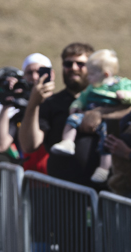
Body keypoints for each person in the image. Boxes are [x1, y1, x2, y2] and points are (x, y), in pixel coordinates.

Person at [51, 50, 131, 184]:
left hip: (107, 123)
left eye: (92, 74)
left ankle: (104, 167)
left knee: (106, 141)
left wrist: (124, 95)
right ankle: (68, 142)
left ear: (105, 74)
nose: (88, 77)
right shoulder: (91, 88)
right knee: (72, 119)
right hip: (87, 116)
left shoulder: (121, 84)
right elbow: (81, 98)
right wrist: (75, 106)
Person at [17, 42, 93, 178]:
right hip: (61, 191)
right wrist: (33, 104)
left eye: (80, 63)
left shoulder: (106, 100)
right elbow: (29, 145)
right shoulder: (51, 103)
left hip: (102, 191)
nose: (73, 68)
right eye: (68, 64)